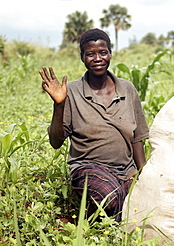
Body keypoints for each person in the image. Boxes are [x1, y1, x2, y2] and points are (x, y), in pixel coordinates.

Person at [39, 28, 149, 222]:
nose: (97, 58)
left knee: (143, 203)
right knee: (111, 198)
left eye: (103, 52)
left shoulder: (127, 89)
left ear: (110, 54)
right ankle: (86, 222)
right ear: (82, 57)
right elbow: (56, 141)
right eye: (90, 54)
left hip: (126, 170)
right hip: (88, 167)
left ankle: (106, 216)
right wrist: (59, 104)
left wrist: (144, 175)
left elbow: (137, 137)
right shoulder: (71, 91)